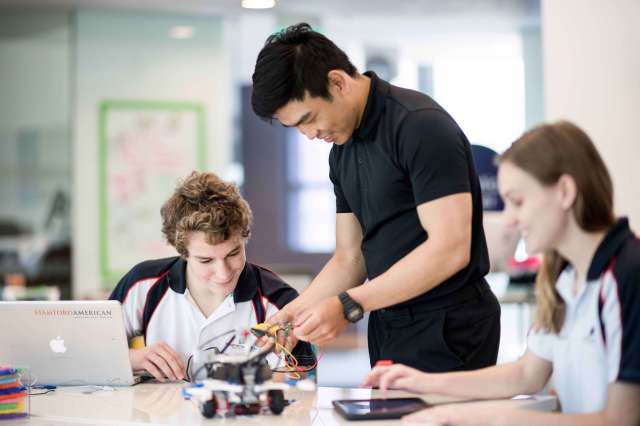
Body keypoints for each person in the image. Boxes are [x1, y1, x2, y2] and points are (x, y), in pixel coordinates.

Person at [251, 23, 500, 373]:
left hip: (449, 324)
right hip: (389, 321)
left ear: (337, 81)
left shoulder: (419, 126)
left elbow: (450, 249)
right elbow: (350, 258)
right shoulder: (341, 150)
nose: (309, 135)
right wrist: (293, 312)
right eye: (297, 128)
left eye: (309, 119)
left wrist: (350, 304)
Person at [363, 121, 640, 425]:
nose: (508, 221)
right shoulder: (564, 278)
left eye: (517, 202)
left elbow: (620, 420)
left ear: (565, 191)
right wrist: (422, 382)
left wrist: (479, 417)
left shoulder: (627, 274)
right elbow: (527, 374)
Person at [110, 171, 315, 382]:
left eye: (233, 253)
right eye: (206, 261)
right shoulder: (142, 284)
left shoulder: (279, 300)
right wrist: (132, 359)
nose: (223, 273)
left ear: (244, 239)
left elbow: (304, 391)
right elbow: (84, 356)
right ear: (182, 252)